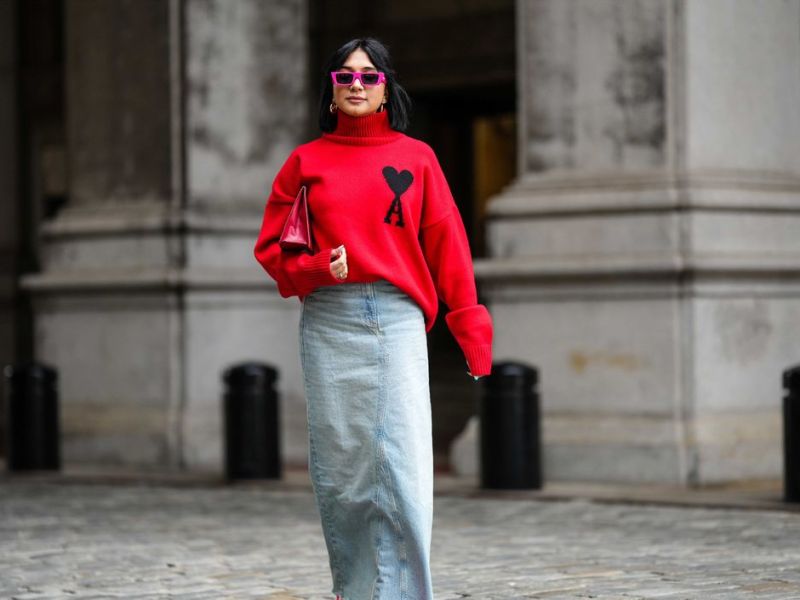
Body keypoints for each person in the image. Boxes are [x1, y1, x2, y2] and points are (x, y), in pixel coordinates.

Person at [253, 37, 493, 600]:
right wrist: (317, 267)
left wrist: (470, 328)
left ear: (386, 88)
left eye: (368, 76)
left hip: (396, 319)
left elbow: (448, 247)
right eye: (344, 77)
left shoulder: (418, 159)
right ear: (332, 92)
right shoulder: (304, 163)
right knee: (343, 477)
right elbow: (273, 250)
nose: (356, 84)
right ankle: (357, 592)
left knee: (400, 471)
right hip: (328, 322)